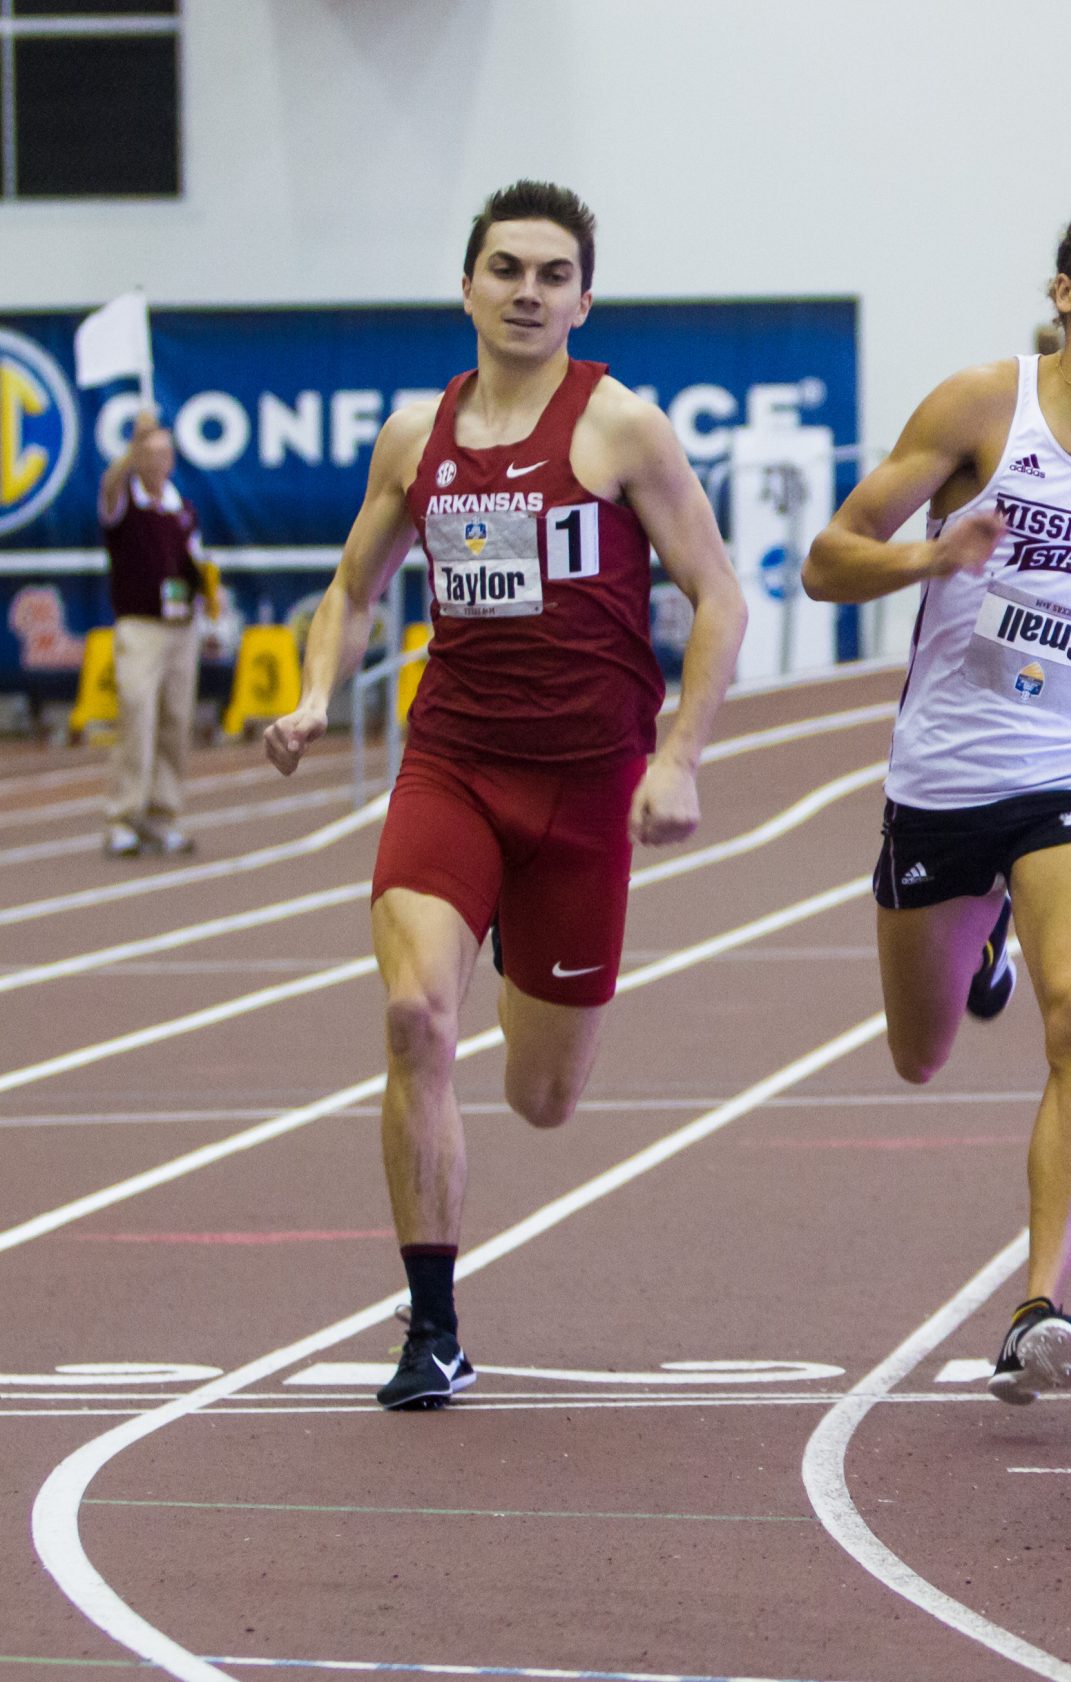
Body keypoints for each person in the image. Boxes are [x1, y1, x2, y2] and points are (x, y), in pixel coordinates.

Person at [263, 180, 746, 1411]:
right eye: (506, 269)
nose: (528, 291)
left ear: (584, 297)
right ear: (468, 285)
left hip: (588, 792)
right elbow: (354, 587)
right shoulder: (412, 440)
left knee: (542, 1098)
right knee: (418, 1016)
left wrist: (678, 755)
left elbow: (720, 597)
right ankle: (431, 1325)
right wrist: (319, 692)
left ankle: (521, 1087)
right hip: (455, 767)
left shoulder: (622, 428)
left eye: (551, 273)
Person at [802, 195, 1071, 1402]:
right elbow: (827, 559)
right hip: (942, 777)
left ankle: (1040, 1302)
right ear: (1064, 291)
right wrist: (930, 554)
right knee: (920, 1054)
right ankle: (977, 951)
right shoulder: (985, 405)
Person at [96, 400, 216, 856]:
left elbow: (196, 565)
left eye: (167, 453)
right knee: (137, 716)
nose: (161, 461)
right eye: (151, 453)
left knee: (174, 722)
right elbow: (109, 485)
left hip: (181, 628)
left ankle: (162, 815)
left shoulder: (181, 506)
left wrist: (207, 608)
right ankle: (122, 816)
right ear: (137, 458)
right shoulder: (125, 502)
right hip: (140, 626)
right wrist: (131, 447)